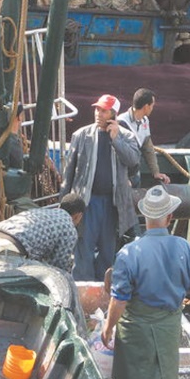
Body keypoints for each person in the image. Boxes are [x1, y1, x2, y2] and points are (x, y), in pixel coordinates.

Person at [101, 186, 190, 379]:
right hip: (168, 329)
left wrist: (108, 327)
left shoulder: (128, 253)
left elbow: (119, 299)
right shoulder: (186, 249)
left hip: (136, 333)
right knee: (165, 374)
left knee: (133, 376)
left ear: (144, 216)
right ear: (170, 218)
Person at [60, 94, 140, 281]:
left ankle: (102, 298)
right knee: (83, 251)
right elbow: (68, 173)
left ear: (114, 114)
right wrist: (63, 206)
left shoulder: (126, 136)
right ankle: (82, 295)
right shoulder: (81, 135)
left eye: (104, 110)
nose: (99, 113)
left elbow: (133, 160)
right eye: (97, 109)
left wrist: (116, 139)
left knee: (107, 252)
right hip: (86, 203)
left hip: (112, 204)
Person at [0, 193, 86, 277]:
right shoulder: (69, 228)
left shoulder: (44, 212)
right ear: (78, 216)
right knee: (54, 277)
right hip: (7, 258)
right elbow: (59, 269)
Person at [117, 87, 170, 186]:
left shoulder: (145, 121)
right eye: (152, 106)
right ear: (146, 107)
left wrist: (156, 172)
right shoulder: (121, 123)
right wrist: (123, 178)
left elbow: (148, 148)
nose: (152, 109)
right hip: (123, 178)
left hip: (135, 174)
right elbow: (117, 154)